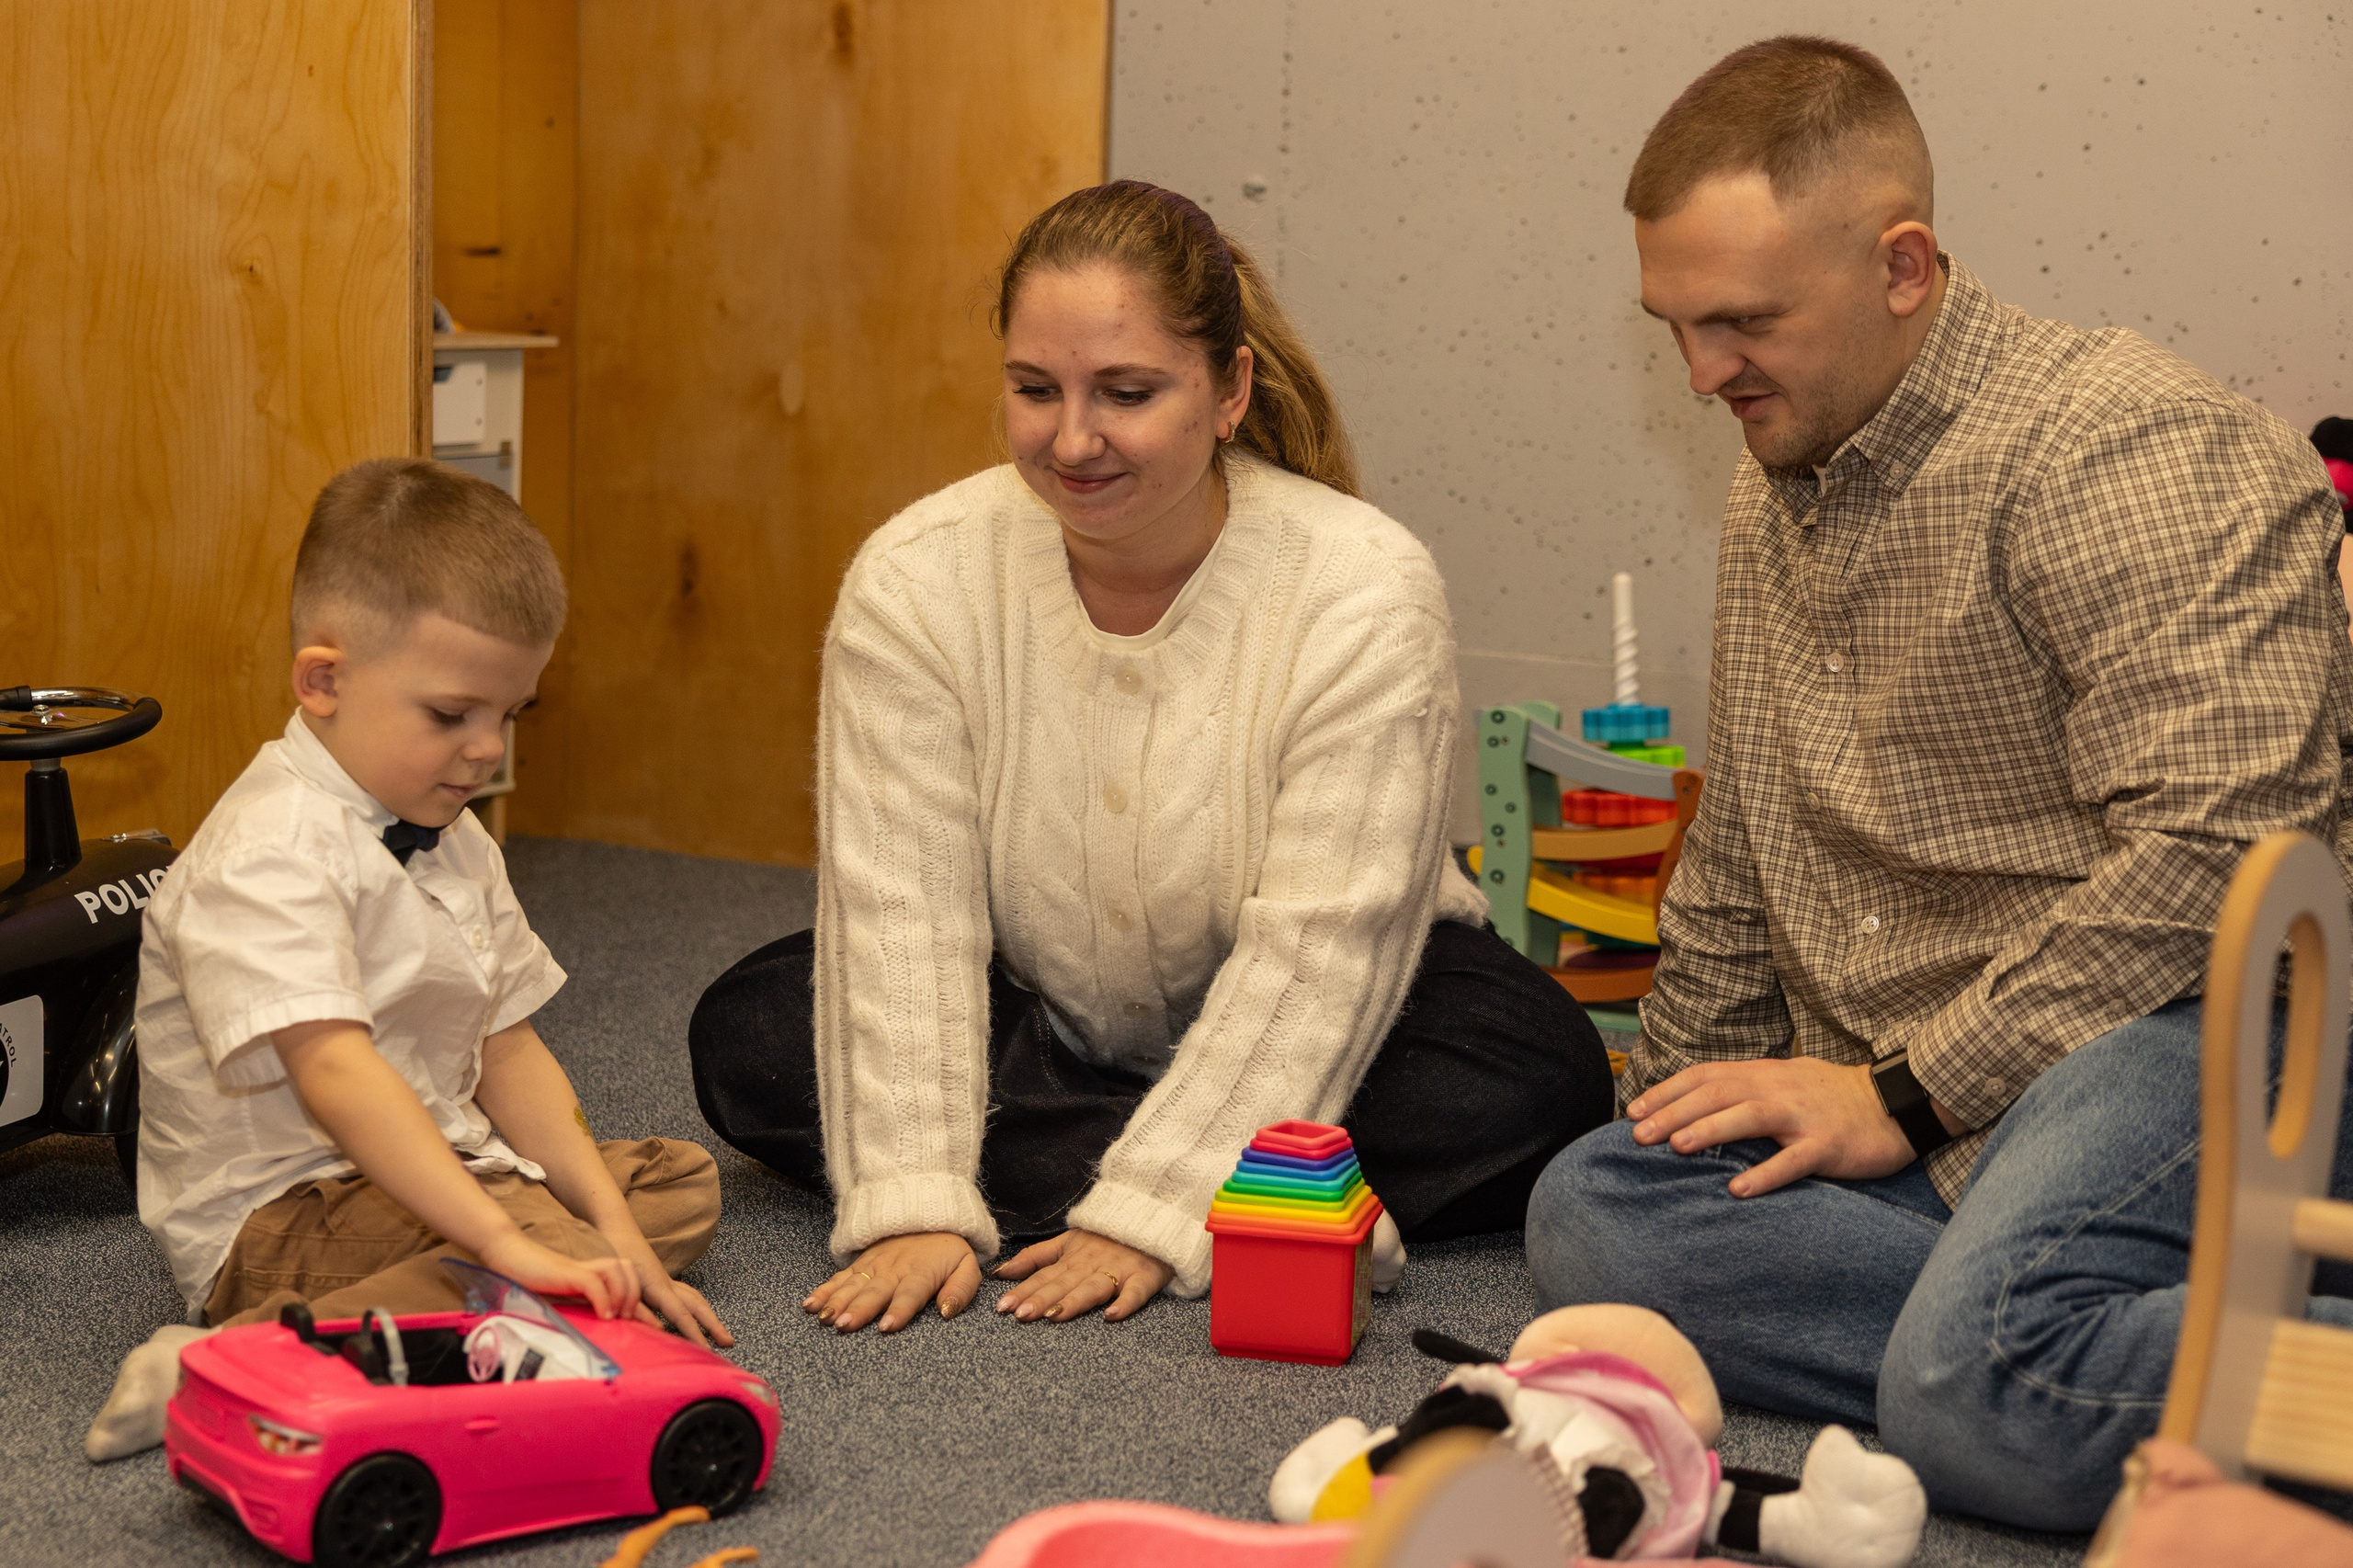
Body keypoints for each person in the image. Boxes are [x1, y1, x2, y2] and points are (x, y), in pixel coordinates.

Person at [1521, 36, 2353, 1532]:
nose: (1703, 373)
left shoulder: (2127, 448)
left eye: (1742, 322)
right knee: (1594, 1207)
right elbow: (1747, 849)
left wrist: (1907, 1092)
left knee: (1972, 1376)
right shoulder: (1779, 454)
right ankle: (2041, 1327)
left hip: (2169, 1023)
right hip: (1920, 1092)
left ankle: (2001, 1348)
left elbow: (2223, 856)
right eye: (1677, 327)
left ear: (1904, 266)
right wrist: (1671, 1103)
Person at [688, 180, 1612, 1335]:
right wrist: (914, 1194)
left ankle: (1169, 1156)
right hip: (1041, 1000)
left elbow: (1323, 949)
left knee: (1540, 1079)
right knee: (750, 1031)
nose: (1071, 439)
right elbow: (901, 910)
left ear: (1228, 391)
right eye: (1035, 390)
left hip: (1346, 990)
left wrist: (1157, 1205)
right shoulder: (914, 577)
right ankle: (1288, 1184)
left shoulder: (1363, 588)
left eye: (1125, 392)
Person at [85, 459, 730, 1461]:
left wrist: (612, 1226)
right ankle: (229, 1354)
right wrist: (510, 1235)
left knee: (676, 1185)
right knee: (556, 1259)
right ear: (324, 679)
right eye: (451, 715)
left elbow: (507, 1050)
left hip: (430, 1163)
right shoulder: (265, 853)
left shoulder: (453, 830)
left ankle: (473, 1284)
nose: (487, 752)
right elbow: (339, 1076)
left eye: (508, 714)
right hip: (284, 1217)